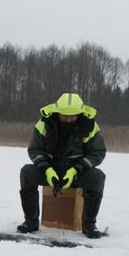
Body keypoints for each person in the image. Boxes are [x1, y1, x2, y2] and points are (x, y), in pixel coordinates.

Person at [17, 93, 106, 238]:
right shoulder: (43, 124)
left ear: (81, 113)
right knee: (27, 172)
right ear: (57, 112)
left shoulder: (91, 127)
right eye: (65, 116)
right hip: (50, 172)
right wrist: (47, 170)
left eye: (73, 116)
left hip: (77, 174)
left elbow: (97, 153)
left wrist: (75, 171)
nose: (69, 119)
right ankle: (31, 221)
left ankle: (89, 224)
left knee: (97, 176)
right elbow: (35, 150)